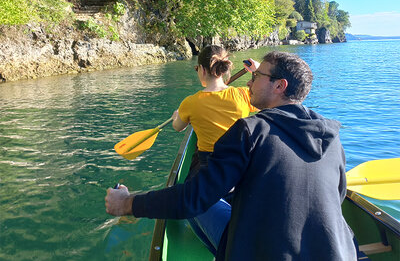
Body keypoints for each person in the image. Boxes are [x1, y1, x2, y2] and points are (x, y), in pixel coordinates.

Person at [105, 51, 357, 261]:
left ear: (280, 86)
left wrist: (127, 203)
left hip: (263, 254)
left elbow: (193, 200)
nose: (248, 82)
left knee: (197, 198)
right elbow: (339, 195)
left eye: (256, 77)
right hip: (339, 253)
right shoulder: (331, 136)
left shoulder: (249, 130)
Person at [170, 44, 257, 254]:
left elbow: (178, 127)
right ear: (226, 68)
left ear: (201, 70)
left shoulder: (190, 103)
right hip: (243, 169)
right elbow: (268, 102)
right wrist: (257, 72)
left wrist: (177, 114)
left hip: (210, 168)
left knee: (189, 197)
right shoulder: (244, 95)